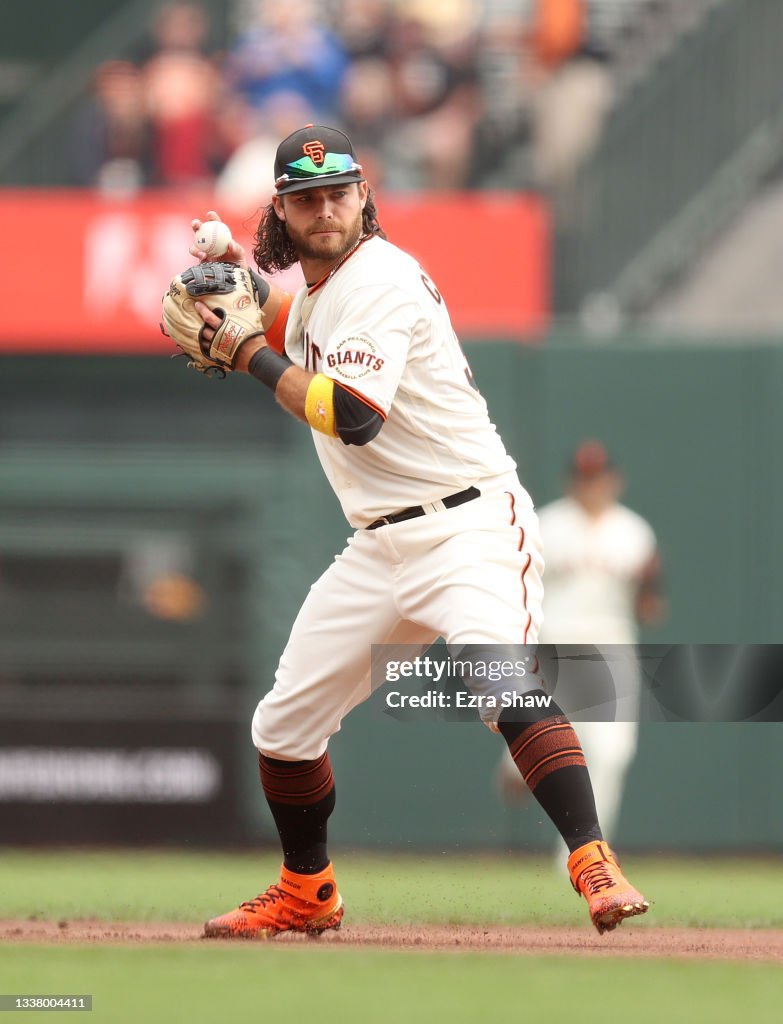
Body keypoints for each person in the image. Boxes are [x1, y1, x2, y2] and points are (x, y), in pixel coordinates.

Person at [185, 125, 648, 938]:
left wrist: (246, 351)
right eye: (306, 197)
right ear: (283, 212)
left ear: (365, 196)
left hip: (468, 522)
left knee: (491, 673)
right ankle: (306, 890)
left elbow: (352, 415)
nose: (325, 208)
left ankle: (591, 860)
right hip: (378, 544)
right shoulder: (332, 291)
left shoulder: (383, 278)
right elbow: (301, 322)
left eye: (339, 192)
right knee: (283, 727)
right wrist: (235, 272)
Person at [497, 440, 665, 851]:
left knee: (611, 754)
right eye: (584, 478)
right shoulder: (547, 525)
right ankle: (519, 762)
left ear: (614, 481)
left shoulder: (635, 532)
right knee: (556, 736)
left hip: (612, 648)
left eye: (598, 478)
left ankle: (585, 857)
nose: (592, 486)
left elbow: (651, 603)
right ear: (571, 482)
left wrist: (649, 595)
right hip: (556, 643)